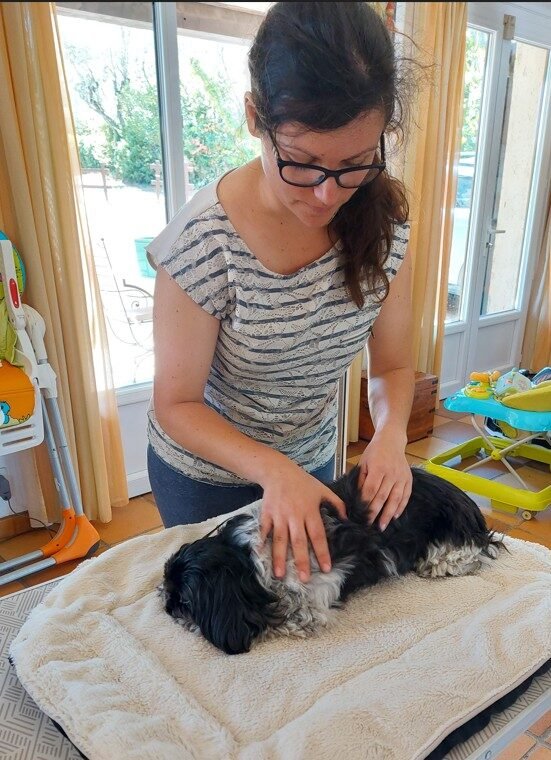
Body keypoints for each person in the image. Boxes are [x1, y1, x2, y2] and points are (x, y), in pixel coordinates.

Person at [147, 1, 415, 585]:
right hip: (206, 478)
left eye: (355, 163)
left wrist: (391, 435)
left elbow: (392, 364)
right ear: (253, 116)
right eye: (302, 162)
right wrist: (273, 471)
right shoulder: (203, 242)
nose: (327, 195)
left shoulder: (385, 223)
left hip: (311, 461)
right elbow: (177, 404)